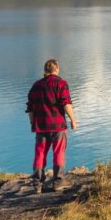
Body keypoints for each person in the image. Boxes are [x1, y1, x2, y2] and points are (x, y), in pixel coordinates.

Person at [26, 58, 78, 192]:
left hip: (41, 126)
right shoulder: (61, 83)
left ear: (45, 70)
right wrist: (73, 120)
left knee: (40, 153)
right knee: (58, 152)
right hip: (58, 125)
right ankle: (58, 181)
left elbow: (30, 108)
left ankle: (37, 184)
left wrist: (32, 122)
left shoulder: (36, 85)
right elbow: (66, 104)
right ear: (57, 69)